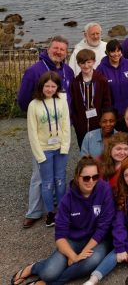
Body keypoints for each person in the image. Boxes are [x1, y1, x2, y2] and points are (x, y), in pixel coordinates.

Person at [12, 156, 113, 285]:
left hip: (97, 240)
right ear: (77, 177)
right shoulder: (67, 199)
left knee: (92, 261)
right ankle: (34, 267)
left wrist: (82, 253)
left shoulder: (104, 190)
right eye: (86, 178)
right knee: (48, 272)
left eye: (95, 177)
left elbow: (102, 228)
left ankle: (46, 283)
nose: (91, 181)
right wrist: (74, 256)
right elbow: (60, 235)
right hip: (73, 240)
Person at [84, 157, 128, 285]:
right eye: (126, 175)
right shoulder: (121, 189)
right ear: (123, 177)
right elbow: (118, 222)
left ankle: (96, 275)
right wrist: (120, 246)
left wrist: (127, 245)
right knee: (118, 252)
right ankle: (92, 280)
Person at [27, 71, 71, 228]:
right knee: (47, 183)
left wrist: (65, 147)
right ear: (41, 86)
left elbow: (66, 125)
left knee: (60, 181)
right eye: (47, 86)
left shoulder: (61, 101)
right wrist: (39, 154)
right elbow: (32, 132)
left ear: (57, 87)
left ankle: (62, 211)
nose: (50, 89)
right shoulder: (34, 105)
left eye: (53, 86)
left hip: (60, 148)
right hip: (44, 149)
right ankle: (50, 213)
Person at [70, 49, 112, 146]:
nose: (86, 66)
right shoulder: (75, 82)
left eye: (89, 62)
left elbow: (107, 102)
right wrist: (77, 123)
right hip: (81, 126)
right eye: (82, 63)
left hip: (98, 124)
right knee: (84, 150)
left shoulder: (101, 80)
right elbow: (73, 105)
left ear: (93, 61)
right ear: (78, 64)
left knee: (99, 150)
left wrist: (104, 121)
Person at [96, 40, 128, 122]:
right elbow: (100, 92)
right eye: (113, 51)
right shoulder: (101, 69)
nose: (116, 54)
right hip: (111, 113)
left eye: (118, 51)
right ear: (107, 52)